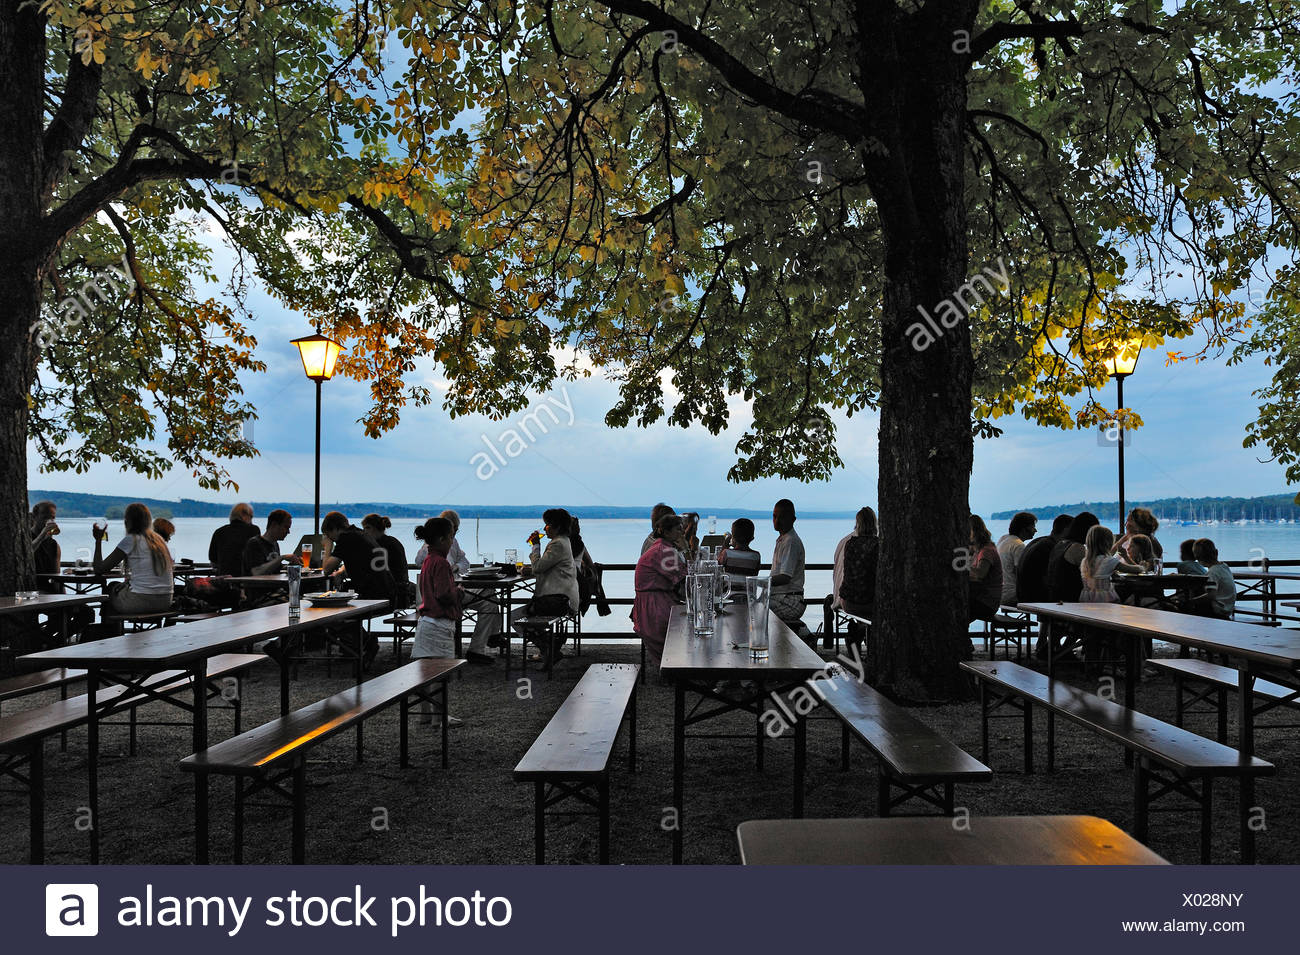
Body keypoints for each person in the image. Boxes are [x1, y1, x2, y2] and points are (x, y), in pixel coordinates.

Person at [321, 511, 395, 667]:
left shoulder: (346, 538)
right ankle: (355, 647)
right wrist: (342, 571)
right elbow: (360, 560)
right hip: (387, 591)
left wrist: (327, 547)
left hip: (374, 594)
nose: (331, 539)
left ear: (334, 529)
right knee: (336, 611)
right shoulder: (359, 534)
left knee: (329, 614)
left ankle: (366, 642)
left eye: (329, 535)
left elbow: (326, 569)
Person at [412, 517, 463, 726]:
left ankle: (425, 713)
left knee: (425, 672)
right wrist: (458, 593)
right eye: (451, 537)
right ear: (442, 539)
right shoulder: (441, 563)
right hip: (440, 623)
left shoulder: (427, 560)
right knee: (441, 673)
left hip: (425, 623)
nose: (452, 541)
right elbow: (443, 594)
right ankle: (439, 716)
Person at [516, 508, 580, 665]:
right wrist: (532, 568)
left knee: (514, 618)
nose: (544, 528)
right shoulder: (564, 542)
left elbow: (538, 567)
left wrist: (535, 545)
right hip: (564, 597)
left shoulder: (557, 544)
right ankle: (549, 649)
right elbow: (549, 567)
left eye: (547, 525)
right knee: (520, 616)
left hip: (557, 600)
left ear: (557, 527)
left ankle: (548, 649)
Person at [94, 502, 175, 615]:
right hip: (165, 601)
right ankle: (115, 630)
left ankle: (109, 630)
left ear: (127, 522)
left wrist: (98, 540)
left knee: (111, 588)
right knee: (119, 588)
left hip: (141, 601)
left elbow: (99, 569)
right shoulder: (159, 540)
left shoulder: (131, 540)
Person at [633, 514, 688, 670]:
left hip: (655, 600)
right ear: (666, 531)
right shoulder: (663, 551)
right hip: (654, 604)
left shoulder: (663, 548)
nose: (682, 532)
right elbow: (684, 577)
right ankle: (676, 671)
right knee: (685, 626)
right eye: (678, 529)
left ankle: (678, 669)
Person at [830, 507, 878, 651]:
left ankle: (858, 630)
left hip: (847, 601)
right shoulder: (878, 544)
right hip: (868, 603)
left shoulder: (849, 543)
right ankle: (863, 635)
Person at [769, 499, 812, 643]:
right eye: (775, 516)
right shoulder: (783, 539)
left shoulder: (791, 541)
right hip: (781, 598)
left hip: (789, 601)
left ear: (793, 519)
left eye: (782, 517)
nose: (777, 520)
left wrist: (760, 582)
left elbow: (785, 577)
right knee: (755, 607)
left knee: (757, 611)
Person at [1079, 526, 1144, 603]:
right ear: (1108, 543)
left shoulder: (1085, 561)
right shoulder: (1108, 560)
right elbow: (1135, 570)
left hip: (1086, 599)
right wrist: (1143, 566)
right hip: (1105, 599)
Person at [1017, 514, 1072, 604]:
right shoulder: (1052, 547)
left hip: (1024, 595)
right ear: (1066, 530)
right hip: (1035, 598)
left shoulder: (1039, 542)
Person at [1047, 512, 1099, 602]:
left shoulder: (1060, 544)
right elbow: (1096, 571)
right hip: (1070, 599)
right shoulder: (1077, 548)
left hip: (1055, 597)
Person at [363, 513, 412, 608]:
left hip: (389, 594)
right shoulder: (393, 541)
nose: (364, 532)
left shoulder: (377, 546)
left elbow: (375, 570)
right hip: (402, 592)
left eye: (366, 528)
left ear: (373, 528)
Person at [967, 515, 1003, 624]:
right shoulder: (980, 550)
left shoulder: (987, 551)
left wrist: (964, 566)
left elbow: (981, 574)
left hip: (987, 603)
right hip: (982, 599)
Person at [208, 503, 260, 576]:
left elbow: (213, 560)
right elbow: (256, 558)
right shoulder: (253, 530)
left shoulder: (219, 532)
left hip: (224, 579)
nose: (251, 520)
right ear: (243, 515)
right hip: (246, 580)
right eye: (251, 516)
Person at [997, 512, 1037, 606]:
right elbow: (1021, 574)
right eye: (1032, 527)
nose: (1035, 530)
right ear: (1024, 529)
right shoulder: (1019, 545)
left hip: (999, 593)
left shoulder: (1003, 539)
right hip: (1012, 594)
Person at [1190, 539, 1235, 619]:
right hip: (1228, 608)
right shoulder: (1224, 566)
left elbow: (1211, 595)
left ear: (1197, 558)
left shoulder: (1212, 573)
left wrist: (1193, 601)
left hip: (1217, 610)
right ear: (1216, 552)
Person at [242, 509, 293, 575]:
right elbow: (256, 571)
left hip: (272, 584)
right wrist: (282, 558)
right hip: (256, 585)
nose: (288, 532)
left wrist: (292, 566)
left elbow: (276, 569)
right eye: (286, 527)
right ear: (274, 525)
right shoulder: (254, 543)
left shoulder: (275, 544)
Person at [30, 500, 62, 588]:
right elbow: (26, 555)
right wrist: (41, 536)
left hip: (49, 593)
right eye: (45, 517)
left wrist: (63, 597)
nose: (49, 521)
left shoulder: (54, 545)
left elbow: (57, 577)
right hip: (29, 590)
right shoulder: (25, 538)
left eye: (52, 518)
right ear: (34, 517)